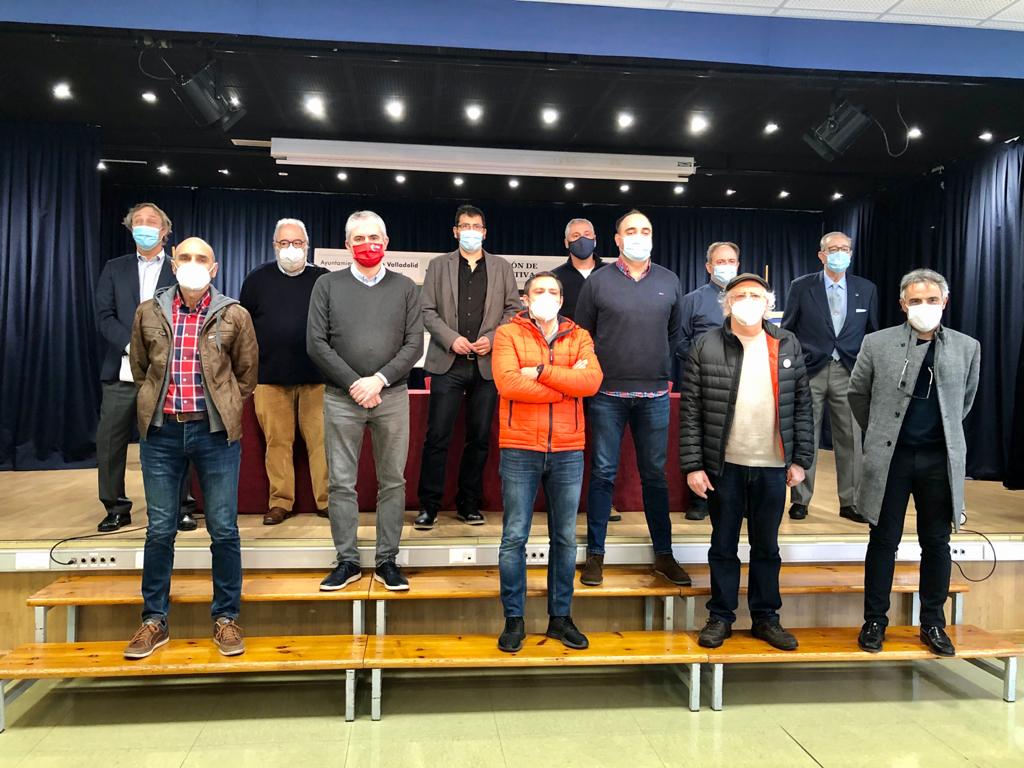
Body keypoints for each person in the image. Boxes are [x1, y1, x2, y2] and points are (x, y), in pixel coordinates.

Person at [124, 237, 258, 659]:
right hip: (162, 433)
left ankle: (226, 618)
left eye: (202, 259)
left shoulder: (234, 314)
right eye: (185, 257)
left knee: (224, 529)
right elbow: (142, 369)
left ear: (214, 269)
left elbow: (246, 374)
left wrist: (225, 405)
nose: (193, 264)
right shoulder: (148, 311)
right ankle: (154, 620)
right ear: (173, 264)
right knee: (160, 530)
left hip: (214, 434)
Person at [850, 269, 980, 656]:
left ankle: (933, 622)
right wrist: (880, 431)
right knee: (883, 540)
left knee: (936, 542)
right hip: (891, 458)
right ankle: (875, 620)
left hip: (939, 459)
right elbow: (857, 394)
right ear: (903, 304)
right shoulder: (877, 343)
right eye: (916, 300)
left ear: (945, 302)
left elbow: (965, 401)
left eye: (932, 299)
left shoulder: (967, 347)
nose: (925, 306)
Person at [680, 273, 814, 650]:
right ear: (727, 304)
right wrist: (693, 465)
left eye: (756, 295)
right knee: (723, 544)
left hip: (773, 464)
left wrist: (801, 460)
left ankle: (766, 617)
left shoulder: (786, 342)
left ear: (769, 303)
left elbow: (803, 404)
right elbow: (690, 411)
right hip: (725, 465)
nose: (748, 301)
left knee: (767, 546)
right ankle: (720, 616)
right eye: (740, 296)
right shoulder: (705, 345)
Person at [574, 209, 691, 588]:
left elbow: (673, 333)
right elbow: (583, 335)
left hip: (655, 395)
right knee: (603, 473)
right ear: (618, 239)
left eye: (645, 230)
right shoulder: (598, 282)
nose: (639, 236)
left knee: (655, 476)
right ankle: (595, 554)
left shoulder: (670, 280)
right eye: (631, 230)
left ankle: (664, 554)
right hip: (607, 395)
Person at [308, 211, 423, 592]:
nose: (367, 244)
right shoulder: (327, 285)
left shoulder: (406, 287)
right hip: (342, 397)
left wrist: (379, 380)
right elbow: (316, 343)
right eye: (359, 238)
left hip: (392, 395)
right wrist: (355, 383)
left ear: (386, 242)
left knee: (393, 481)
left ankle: (388, 559)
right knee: (341, 482)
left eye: (374, 237)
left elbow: (414, 344)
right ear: (347, 245)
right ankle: (347, 560)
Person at [492, 272, 603, 653]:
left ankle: (560, 618)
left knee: (566, 538)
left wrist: (541, 372)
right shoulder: (508, 334)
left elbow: (591, 382)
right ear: (525, 299)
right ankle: (514, 619)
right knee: (514, 537)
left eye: (552, 292)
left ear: (561, 299)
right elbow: (508, 383)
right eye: (538, 291)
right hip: (520, 446)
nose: (546, 296)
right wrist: (563, 389)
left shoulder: (579, 335)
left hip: (568, 450)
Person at [94, 203, 201, 532]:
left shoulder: (179, 268)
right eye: (137, 221)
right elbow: (104, 316)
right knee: (110, 443)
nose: (143, 226)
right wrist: (132, 346)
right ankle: (115, 507)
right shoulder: (114, 268)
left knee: (174, 442)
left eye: (151, 221)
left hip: (167, 372)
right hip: (122, 370)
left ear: (164, 230)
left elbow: (191, 312)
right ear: (130, 229)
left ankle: (180, 506)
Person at [415, 204, 521, 529]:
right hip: (448, 364)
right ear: (455, 231)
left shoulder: (502, 267)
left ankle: (469, 503)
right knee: (437, 437)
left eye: (476, 226)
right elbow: (427, 310)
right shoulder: (438, 266)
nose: (470, 231)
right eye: (465, 226)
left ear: (485, 232)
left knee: (479, 438)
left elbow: (513, 309)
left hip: (487, 366)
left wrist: (492, 337)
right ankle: (429, 506)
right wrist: (451, 339)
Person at [782, 231, 878, 523]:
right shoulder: (802, 286)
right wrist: (793, 365)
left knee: (851, 438)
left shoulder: (866, 288)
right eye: (833, 249)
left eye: (845, 249)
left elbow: (873, 333)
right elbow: (788, 329)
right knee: (805, 435)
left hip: (849, 371)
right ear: (821, 255)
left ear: (851, 254)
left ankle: (851, 501)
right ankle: (800, 499)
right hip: (810, 370)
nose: (839, 253)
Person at [240, 218, 330, 525]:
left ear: (308, 245)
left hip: (317, 379)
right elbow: (244, 328)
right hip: (269, 378)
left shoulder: (324, 279)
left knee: (322, 443)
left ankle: (327, 501)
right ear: (274, 246)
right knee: (277, 444)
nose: (291, 248)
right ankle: (280, 502)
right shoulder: (256, 279)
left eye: (297, 243)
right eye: (284, 243)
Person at [676, 241, 740, 521]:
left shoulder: (747, 298)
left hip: (743, 380)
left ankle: (738, 499)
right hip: (703, 380)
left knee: (737, 439)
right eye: (720, 262)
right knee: (702, 437)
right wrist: (704, 360)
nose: (726, 266)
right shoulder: (693, 300)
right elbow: (678, 341)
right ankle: (700, 499)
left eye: (731, 261)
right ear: (708, 267)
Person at [552, 217, 605, 320]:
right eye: (576, 236)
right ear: (566, 242)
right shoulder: (555, 278)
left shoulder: (611, 273)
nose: (582, 240)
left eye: (587, 234)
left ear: (594, 240)